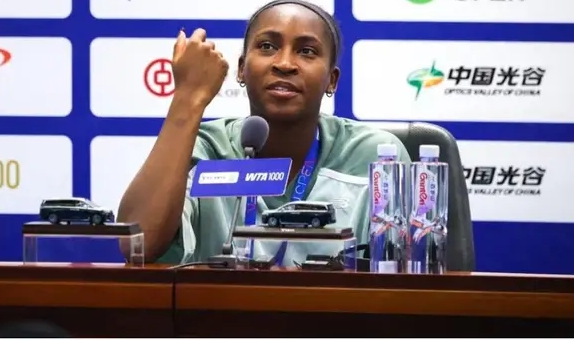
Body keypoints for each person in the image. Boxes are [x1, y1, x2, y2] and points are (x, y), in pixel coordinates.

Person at [117, 0, 411, 265]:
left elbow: (409, 274)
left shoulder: (377, 156)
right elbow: (138, 245)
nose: (284, 64)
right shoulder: (204, 149)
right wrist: (187, 99)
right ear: (241, 69)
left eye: (307, 51)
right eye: (268, 46)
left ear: (331, 80)